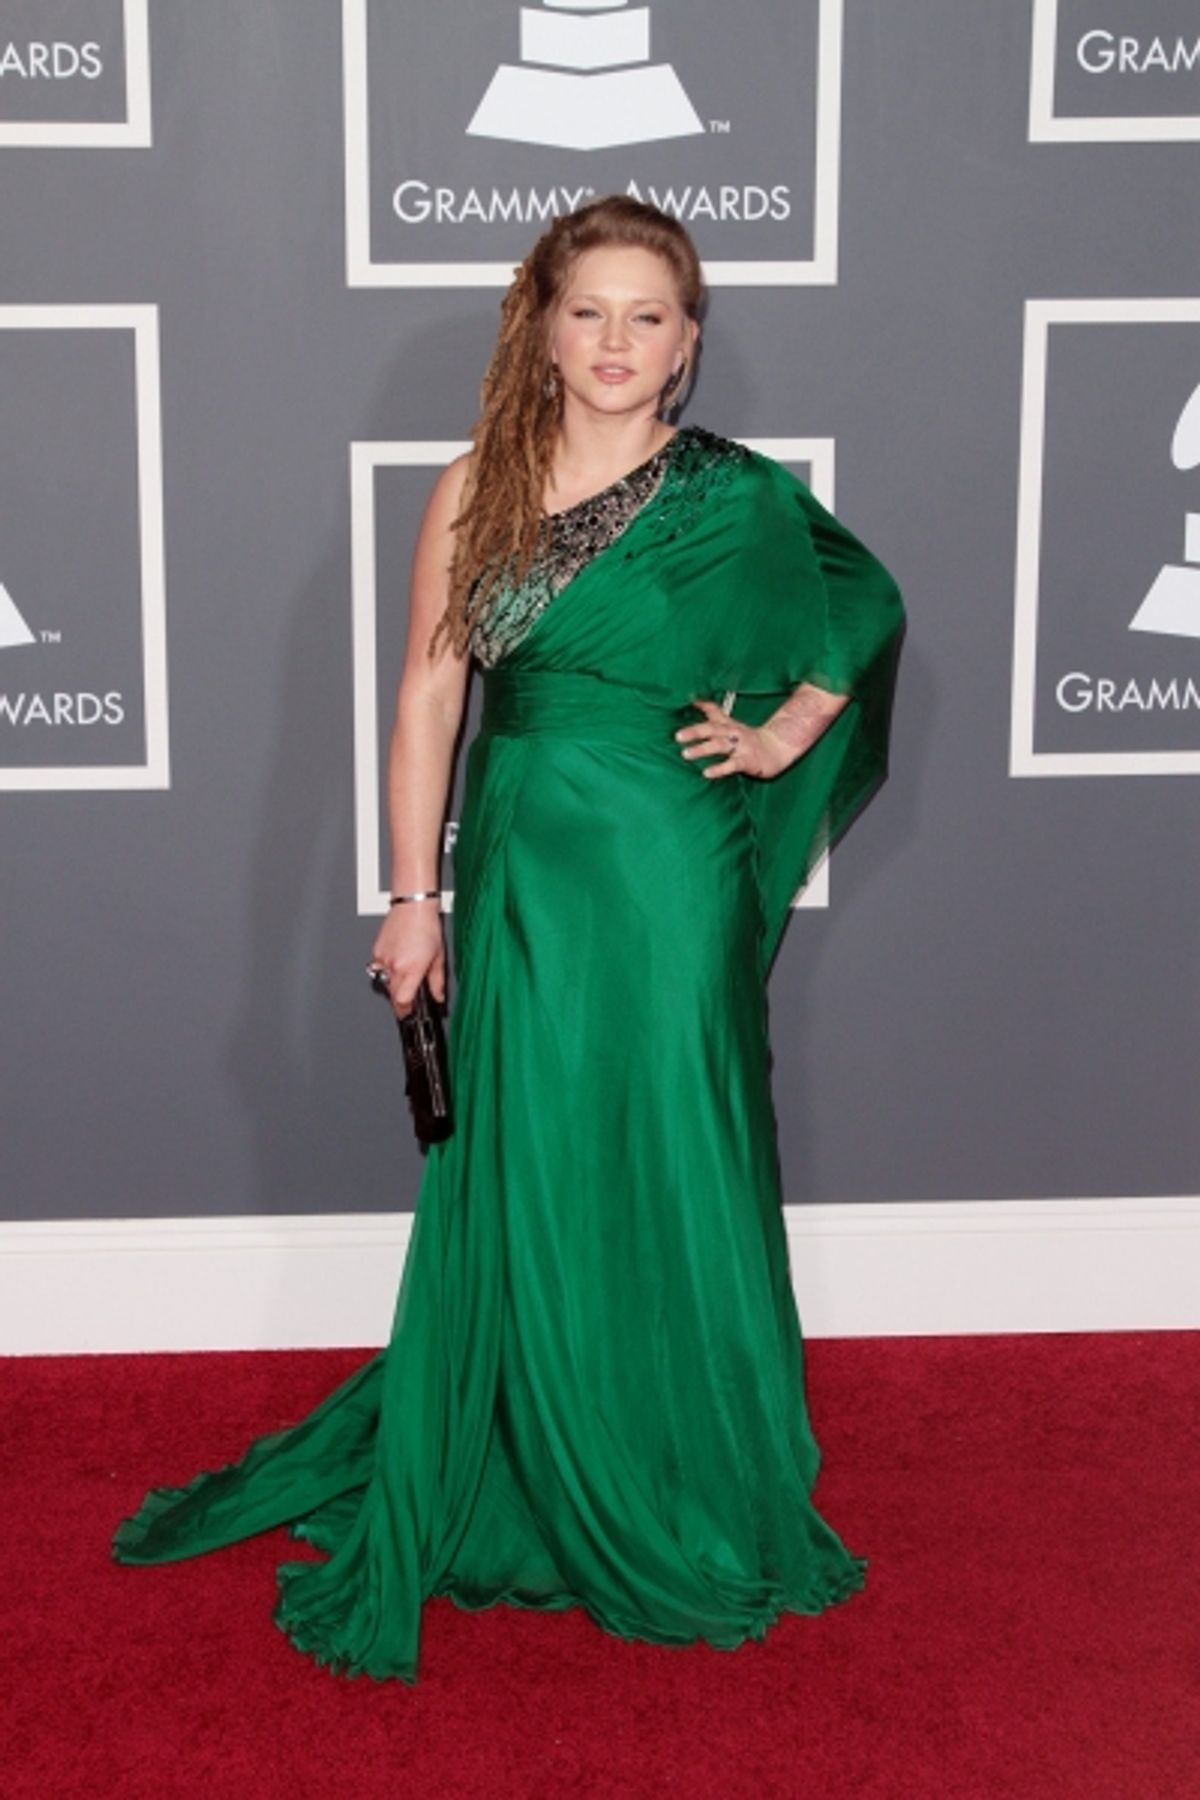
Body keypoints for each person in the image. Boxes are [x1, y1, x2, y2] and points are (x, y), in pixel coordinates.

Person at [112, 196, 905, 1684]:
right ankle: (527, 1444)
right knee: (532, 1148)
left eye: (647, 317)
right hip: (528, 857)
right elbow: (427, 700)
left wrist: (796, 718)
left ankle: (677, 1462)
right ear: (542, 326)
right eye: (588, 310)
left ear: (687, 345)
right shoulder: (480, 485)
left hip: (673, 865)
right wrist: (413, 895)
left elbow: (864, 602)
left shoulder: (733, 494)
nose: (615, 341)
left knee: (673, 1134)